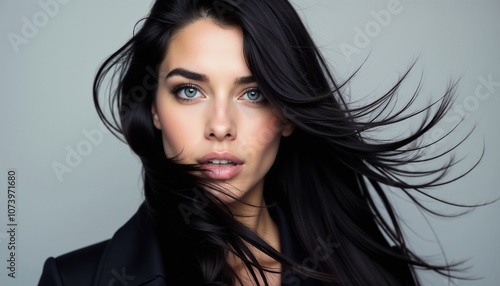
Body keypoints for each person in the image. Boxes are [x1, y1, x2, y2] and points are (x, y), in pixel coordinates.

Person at [38, 0, 477, 285]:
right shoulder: (76, 279)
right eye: (189, 91)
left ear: (286, 115)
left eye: (254, 93)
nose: (221, 126)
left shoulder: (375, 273)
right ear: (153, 107)